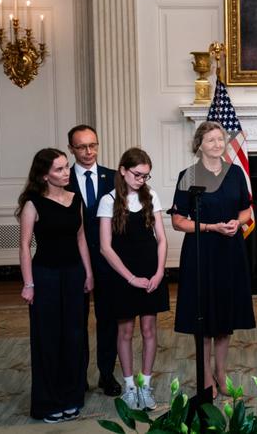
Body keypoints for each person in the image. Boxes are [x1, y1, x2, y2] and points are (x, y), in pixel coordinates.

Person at [171, 121, 256, 398]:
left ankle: (221, 372)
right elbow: (178, 221)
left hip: (230, 252)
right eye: (211, 140)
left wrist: (236, 222)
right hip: (201, 253)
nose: (217, 145)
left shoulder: (235, 174)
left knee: (225, 316)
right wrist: (209, 227)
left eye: (220, 140)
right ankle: (205, 375)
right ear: (199, 145)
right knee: (203, 318)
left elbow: (246, 210)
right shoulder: (189, 175)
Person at [17, 149, 94, 423]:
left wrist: (88, 273)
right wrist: (29, 284)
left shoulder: (76, 199)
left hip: (74, 274)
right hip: (45, 276)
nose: (66, 173)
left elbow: (81, 238)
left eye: (66, 168)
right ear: (43, 174)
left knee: (74, 337)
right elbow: (25, 246)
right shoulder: (33, 204)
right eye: (59, 169)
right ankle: (48, 402)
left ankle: (72, 396)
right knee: (48, 339)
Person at [99, 148, 170, 411]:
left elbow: (161, 238)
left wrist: (160, 272)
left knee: (149, 330)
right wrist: (130, 278)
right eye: (138, 174)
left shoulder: (151, 195)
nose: (142, 180)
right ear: (123, 170)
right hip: (124, 275)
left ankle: (145, 385)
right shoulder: (108, 200)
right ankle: (129, 387)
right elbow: (106, 247)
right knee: (126, 331)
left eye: (146, 175)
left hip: (151, 270)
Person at [66, 125, 121, 396]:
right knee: (76, 321)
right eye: (82, 147)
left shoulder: (113, 178)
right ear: (71, 149)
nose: (89, 152)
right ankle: (78, 376)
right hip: (73, 262)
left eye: (93, 145)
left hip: (107, 260)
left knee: (108, 319)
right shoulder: (62, 181)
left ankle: (107, 374)